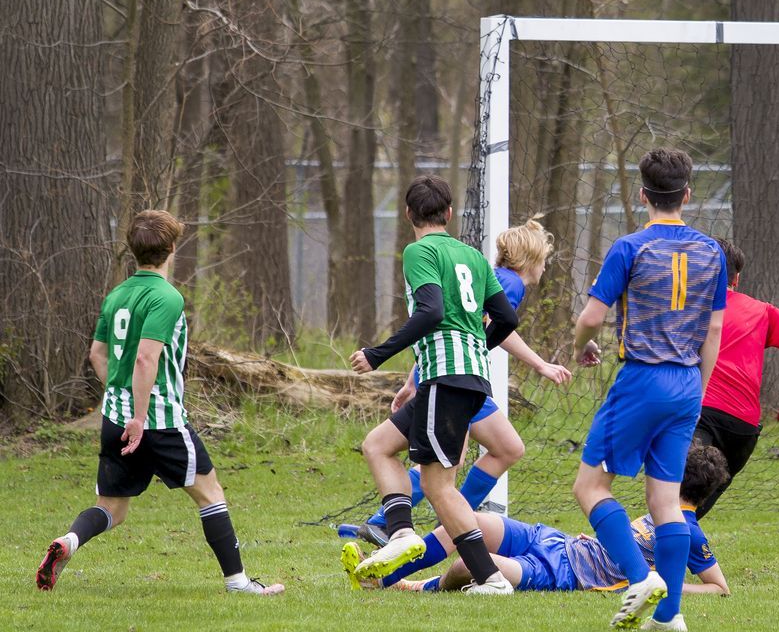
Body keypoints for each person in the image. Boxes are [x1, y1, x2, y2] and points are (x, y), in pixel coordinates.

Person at [35, 210, 284, 596]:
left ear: (133, 251)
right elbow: (145, 359)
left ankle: (68, 542)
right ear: (171, 249)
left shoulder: (117, 295)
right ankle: (238, 583)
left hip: (115, 419)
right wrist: (138, 415)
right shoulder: (166, 296)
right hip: (158, 420)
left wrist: (119, 401)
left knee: (112, 508)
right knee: (210, 493)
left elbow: (97, 356)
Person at [571, 149, 726, 632]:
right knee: (664, 499)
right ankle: (670, 615)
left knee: (590, 486)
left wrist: (583, 345)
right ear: (687, 194)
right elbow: (714, 332)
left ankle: (641, 579)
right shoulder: (712, 252)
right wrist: (697, 390)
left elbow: (592, 317)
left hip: (642, 377)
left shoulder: (630, 247)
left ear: (643, 195)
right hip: (685, 384)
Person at [353, 216, 572, 548]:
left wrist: (414, 379)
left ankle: (419, 520)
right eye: (544, 261)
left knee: (504, 448)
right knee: (457, 462)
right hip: (461, 379)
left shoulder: (496, 278)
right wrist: (541, 364)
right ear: (531, 260)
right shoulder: (510, 284)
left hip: (450, 374)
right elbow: (492, 329)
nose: (545, 269)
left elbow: (459, 331)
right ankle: (440, 525)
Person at [348, 175, 519, 594]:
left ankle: (490, 579)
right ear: (448, 213)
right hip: (457, 377)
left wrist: (377, 354)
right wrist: (477, 349)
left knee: (438, 485)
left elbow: (430, 311)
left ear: (409, 215)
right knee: (378, 445)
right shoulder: (474, 257)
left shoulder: (418, 251)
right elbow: (508, 319)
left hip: (446, 378)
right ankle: (401, 532)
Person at [341, 444, 730, 597]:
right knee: (471, 523)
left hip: (562, 573)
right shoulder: (661, 507)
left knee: (469, 565)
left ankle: (404, 586)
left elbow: (720, 589)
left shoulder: (690, 534)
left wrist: (659, 585)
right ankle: (383, 573)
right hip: (556, 540)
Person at [693, 238, 779, 518]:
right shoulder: (762, 311)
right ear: (736, 279)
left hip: (699, 416)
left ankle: (622, 556)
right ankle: (644, 556)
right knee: (688, 510)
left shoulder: (688, 307)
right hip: (742, 430)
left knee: (676, 506)